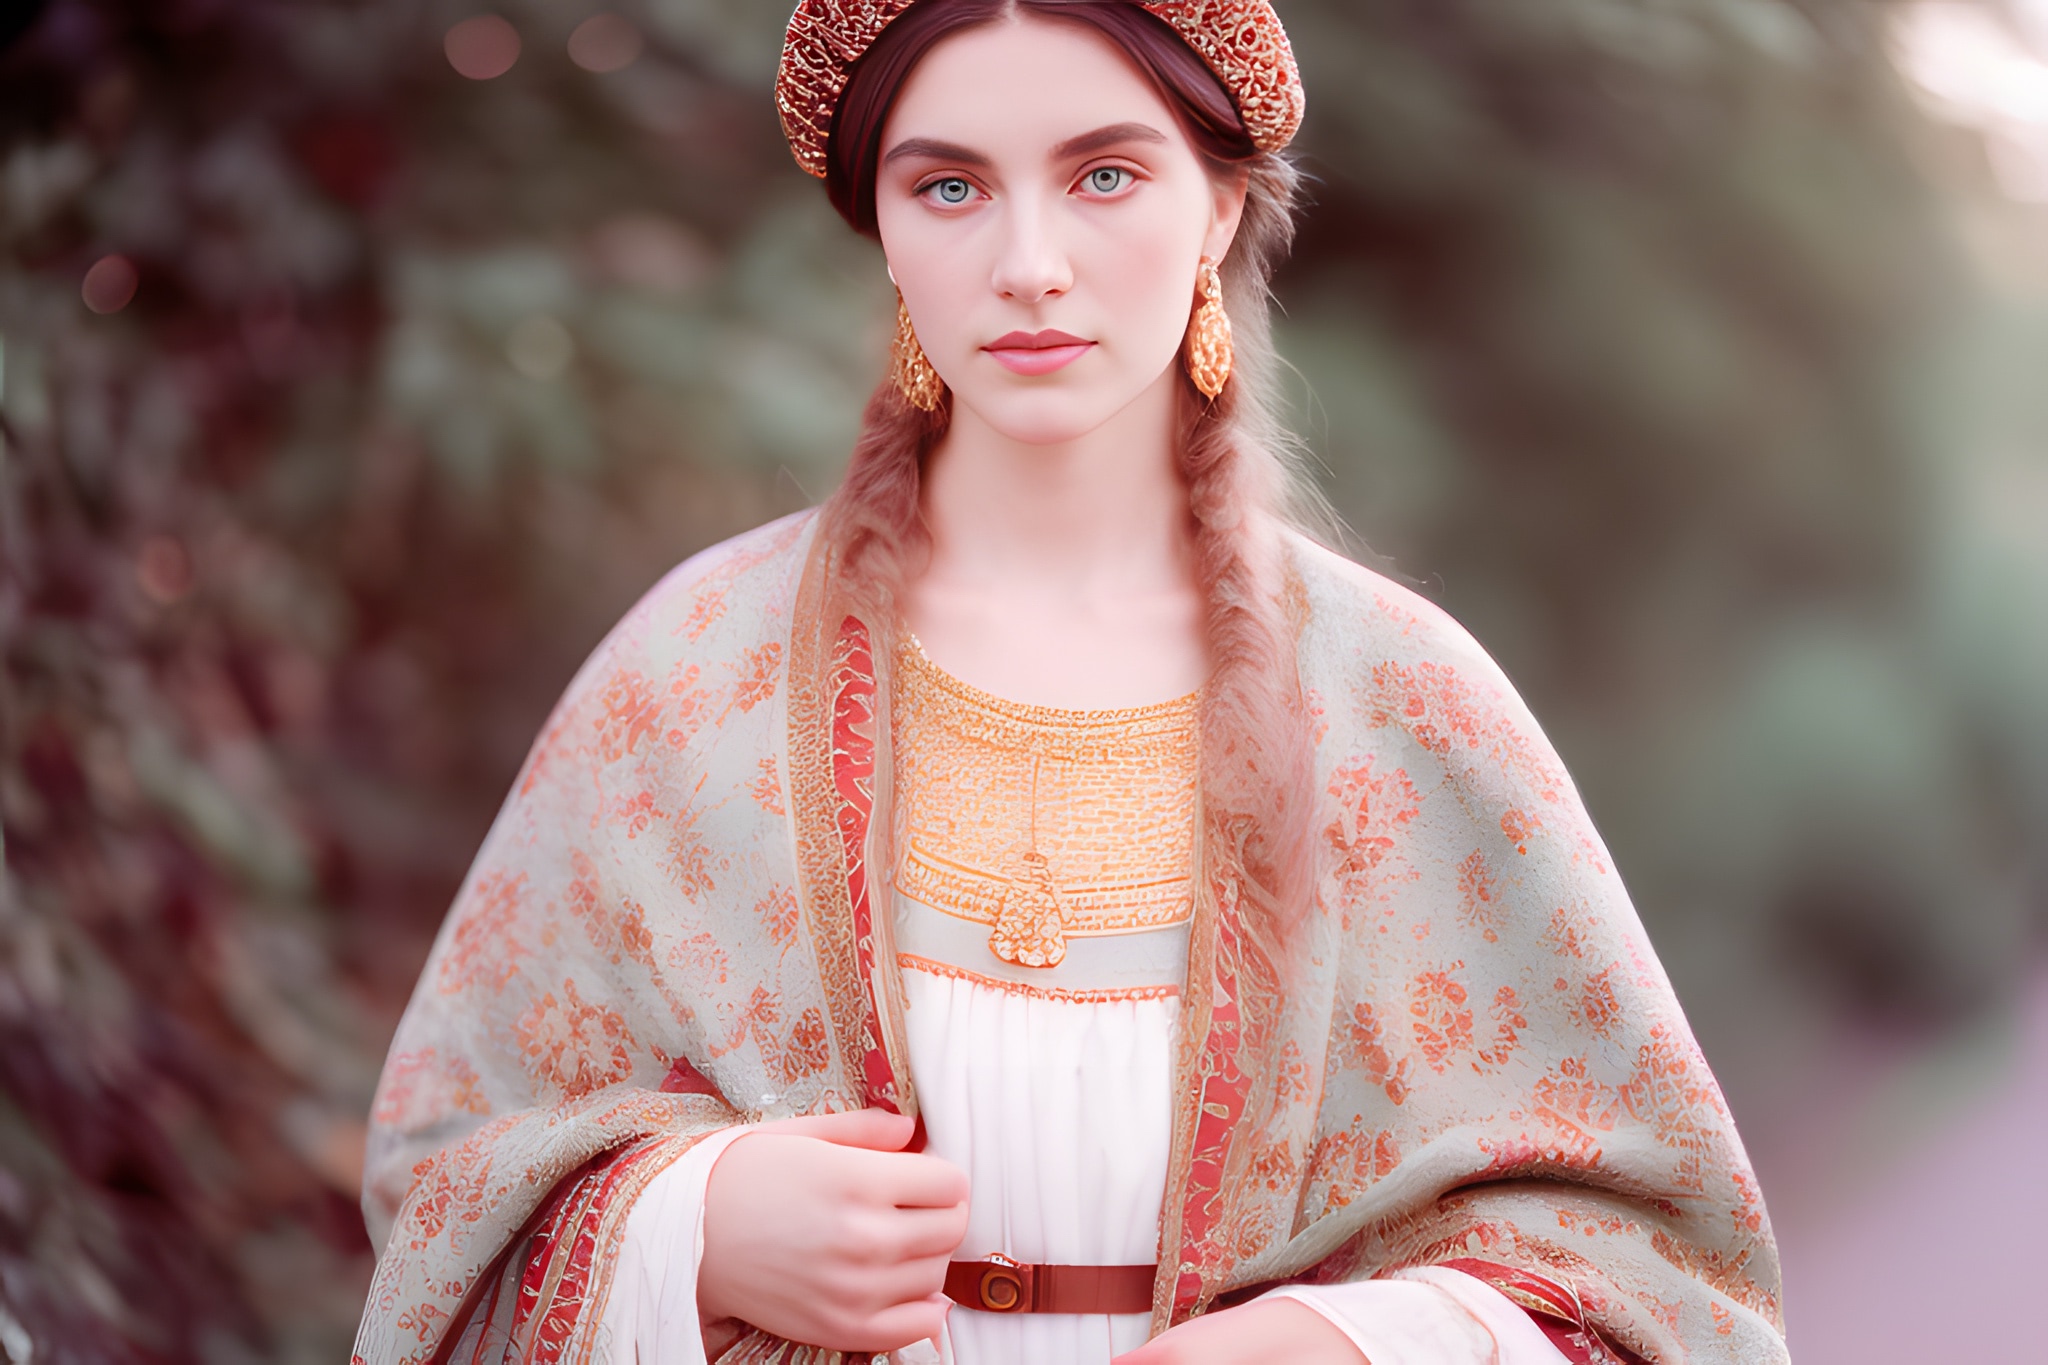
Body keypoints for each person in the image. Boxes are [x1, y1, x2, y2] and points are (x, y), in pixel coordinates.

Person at [353, 3, 1788, 1363]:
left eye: (1104, 174)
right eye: (951, 188)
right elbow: (440, 1174)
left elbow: (1667, 1279)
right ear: (888, 233)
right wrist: (692, 1225)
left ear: (1220, 203)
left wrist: (1350, 1338)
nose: (1028, 260)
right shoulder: (695, 673)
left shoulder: (1401, 703)